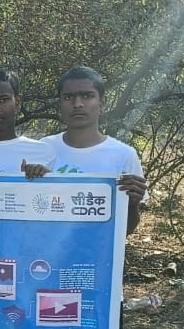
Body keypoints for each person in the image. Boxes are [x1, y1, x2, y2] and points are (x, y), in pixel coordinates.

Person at [43, 66, 147, 233]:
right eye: (69, 97)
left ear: (102, 103)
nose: (77, 104)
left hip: (97, 249)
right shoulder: (42, 149)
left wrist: (132, 204)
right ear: (59, 104)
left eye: (87, 96)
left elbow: (126, 231)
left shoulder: (124, 155)